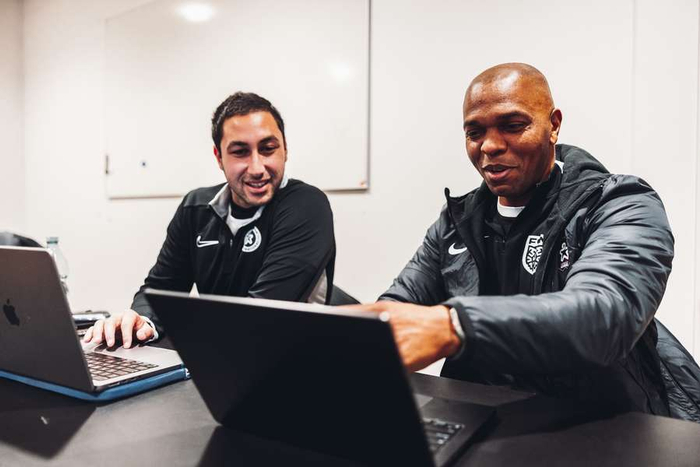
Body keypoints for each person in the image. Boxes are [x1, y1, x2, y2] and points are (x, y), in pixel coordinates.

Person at [352, 63, 674, 415]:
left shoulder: (620, 202)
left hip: (595, 421)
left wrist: (455, 325)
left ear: (553, 125)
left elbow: (606, 315)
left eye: (512, 126)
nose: (490, 146)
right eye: (475, 132)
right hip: (481, 417)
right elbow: (399, 307)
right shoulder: (456, 222)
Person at [84, 92, 336, 348]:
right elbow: (161, 289)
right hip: (221, 355)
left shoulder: (306, 205)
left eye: (268, 149)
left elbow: (259, 316)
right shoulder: (196, 208)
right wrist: (142, 322)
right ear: (219, 158)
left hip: (289, 358)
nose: (257, 168)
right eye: (240, 152)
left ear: (285, 149)